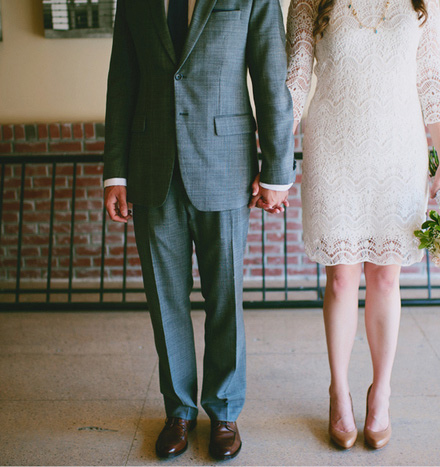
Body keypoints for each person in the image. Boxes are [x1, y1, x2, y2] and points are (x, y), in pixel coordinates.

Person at [103, 0, 295, 460]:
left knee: (225, 297)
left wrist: (276, 171)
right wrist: (115, 173)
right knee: (164, 301)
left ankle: (224, 411)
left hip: (225, 166)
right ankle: (180, 411)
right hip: (151, 168)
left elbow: (271, 77)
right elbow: (122, 81)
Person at [286, 0, 440, 450]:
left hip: (399, 152)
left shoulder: (423, 3)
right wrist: (274, 154)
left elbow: (431, 79)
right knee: (342, 280)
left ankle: (380, 391)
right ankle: (339, 391)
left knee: (385, 277)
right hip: (333, 150)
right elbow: (296, 80)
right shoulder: (309, 2)